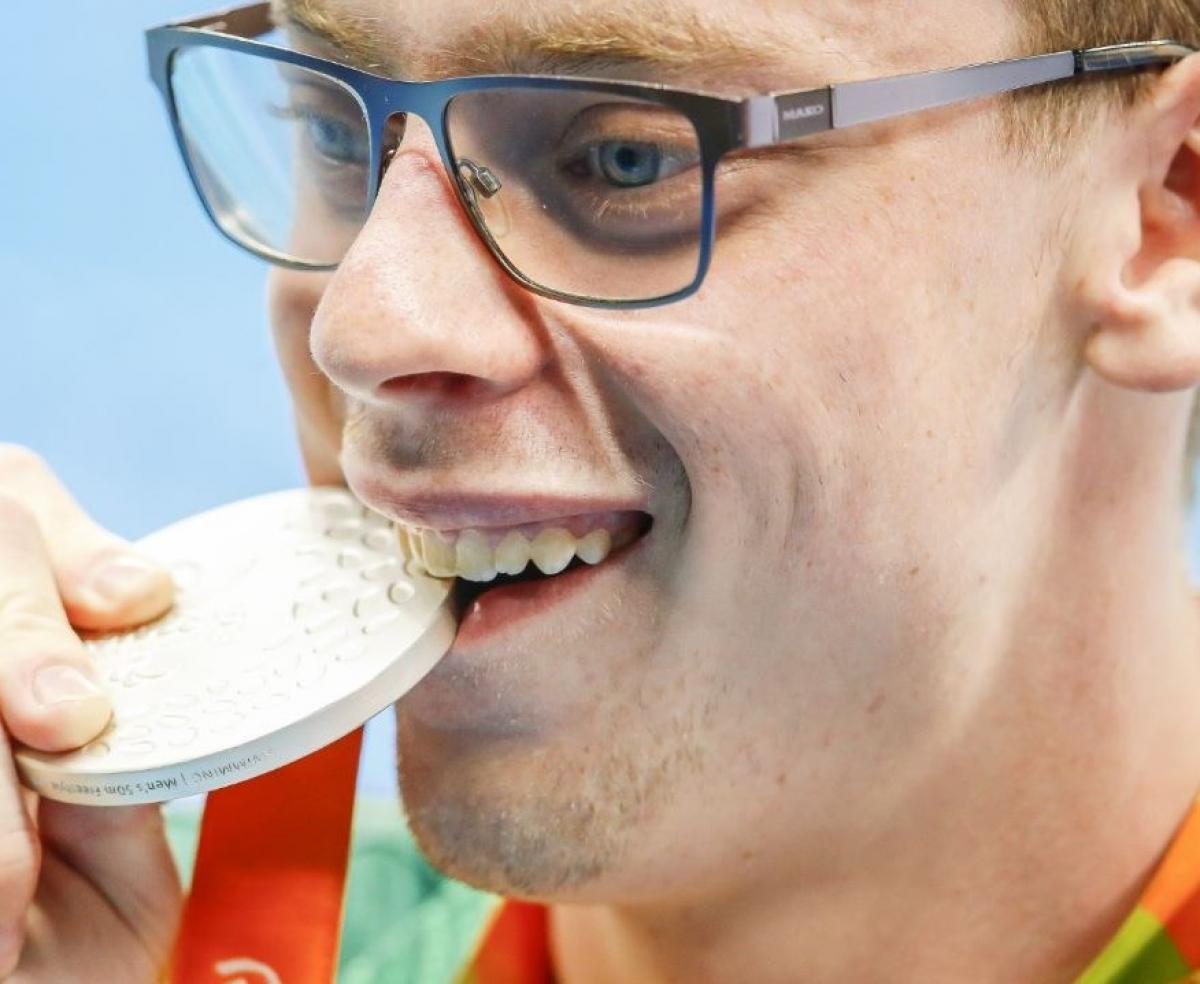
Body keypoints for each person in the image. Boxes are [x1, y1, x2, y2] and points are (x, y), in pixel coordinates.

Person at [6, 0, 1200, 980]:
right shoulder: (94, 935)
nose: (364, 325)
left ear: (1168, 214)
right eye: (333, 132)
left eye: (627, 158)